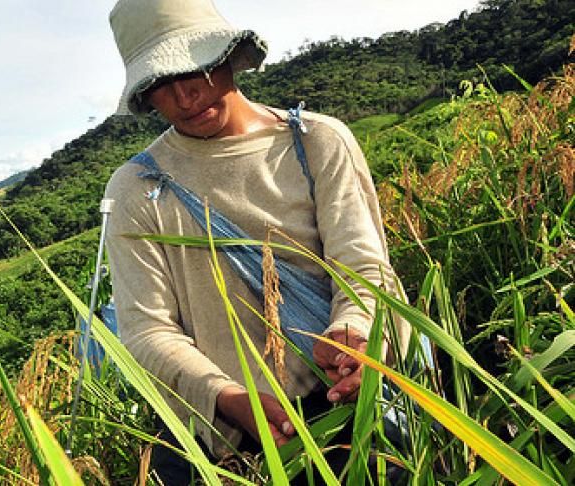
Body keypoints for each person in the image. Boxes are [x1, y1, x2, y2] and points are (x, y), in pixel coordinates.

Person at [103, 0, 412, 482]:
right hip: (217, 432)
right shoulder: (137, 187)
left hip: (337, 406)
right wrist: (227, 397)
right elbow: (146, 330)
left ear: (228, 55)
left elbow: (364, 267)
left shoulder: (316, 143)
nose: (184, 95)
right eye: (161, 82)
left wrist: (353, 330)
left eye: (196, 68)